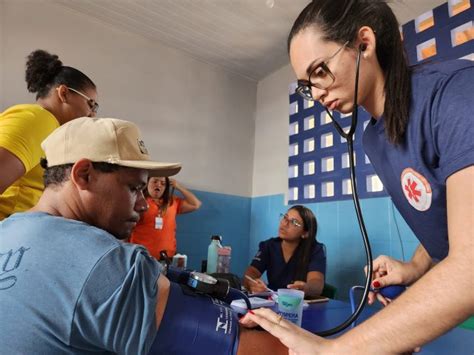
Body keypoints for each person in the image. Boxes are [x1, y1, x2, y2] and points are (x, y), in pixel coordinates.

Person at [241, 1, 474, 353]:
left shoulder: (455, 92)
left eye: (320, 71)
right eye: (307, 85)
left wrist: (334, 350)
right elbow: (448, 215)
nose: (316, 93)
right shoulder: (373, 138)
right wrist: (413, 267)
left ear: (364, 43)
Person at [0, 117, 287, 355]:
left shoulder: (6, 231)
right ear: (84, 174)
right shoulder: (107, 263)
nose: (142, 203)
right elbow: (266, 350)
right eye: (134, 188)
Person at [0, 49, 98, 221]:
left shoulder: (50, 128)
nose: (92, 114)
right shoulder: (39, 119)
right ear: (64, 93)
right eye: (91, 104)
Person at [243, 205, 325, 299]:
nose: (285, 223)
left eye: (294, 222)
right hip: (273, 302)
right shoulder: (269, 246)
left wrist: (306, 288)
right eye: (285, 217)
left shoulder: (315, 250)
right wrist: (252, 283)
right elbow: (251, 272)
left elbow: (317, 282)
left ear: (305, 233)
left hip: (300, 304)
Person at [130, 176, 201, 259]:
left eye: (163, 183)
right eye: (155, 181)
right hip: (141, 256)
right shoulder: (139, 202)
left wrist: (178, 186)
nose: (159, 185)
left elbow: (196, 204)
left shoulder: (172, 202)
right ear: (147, 183)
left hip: (167, 257)